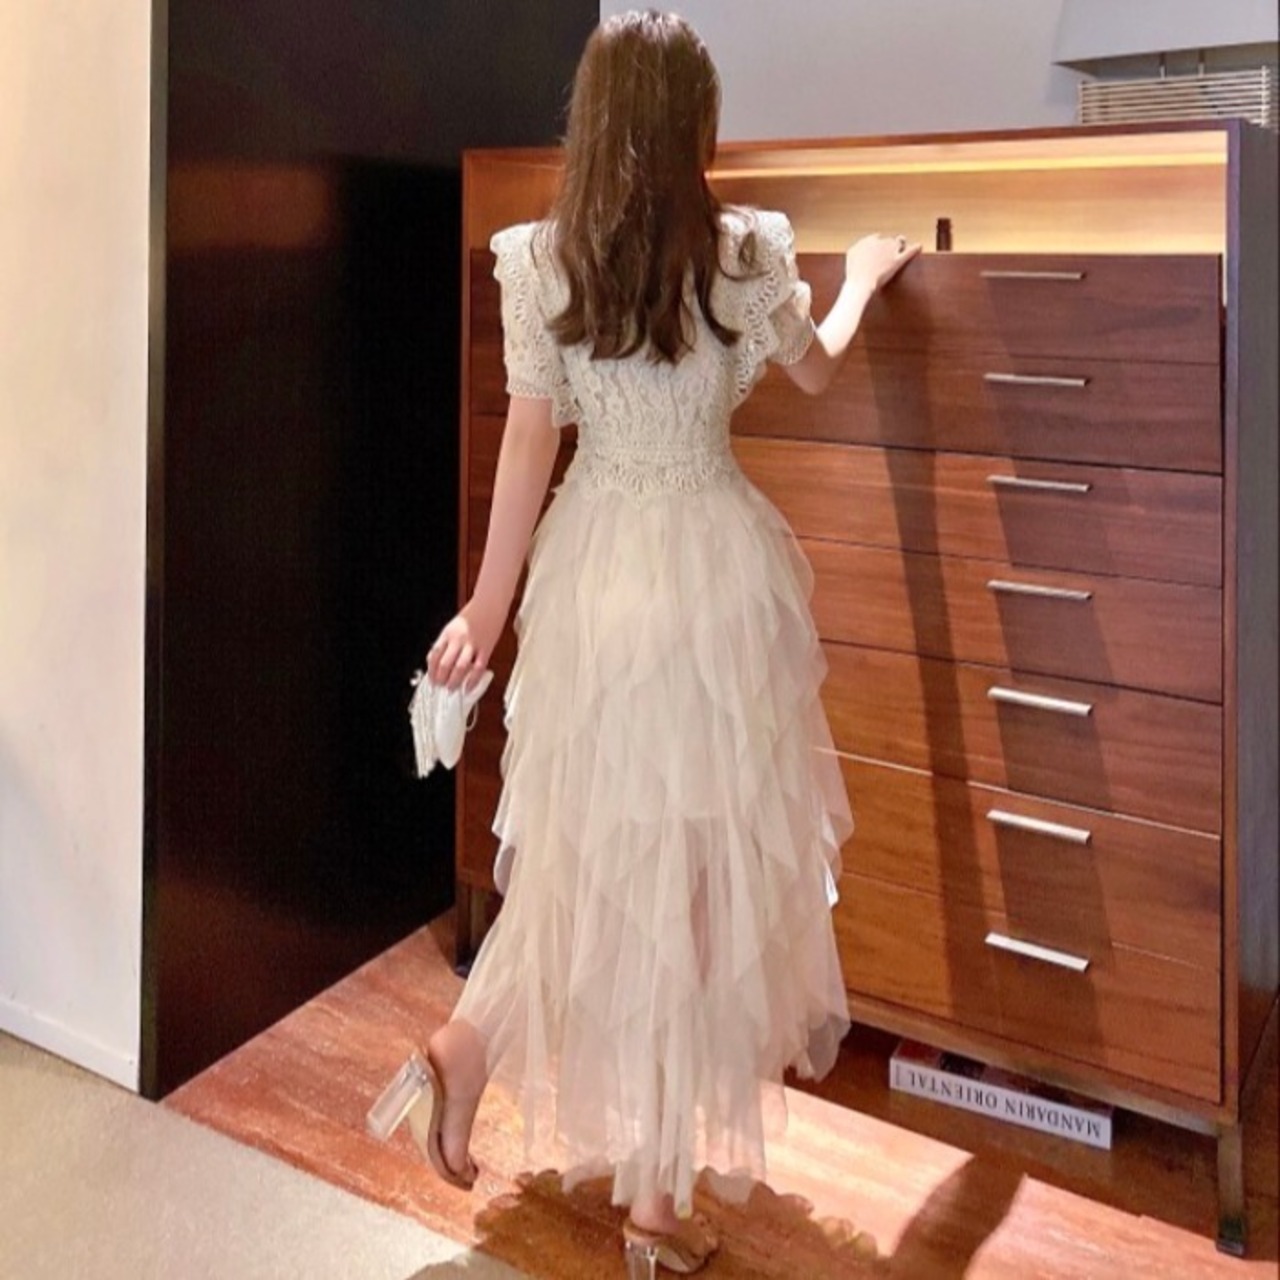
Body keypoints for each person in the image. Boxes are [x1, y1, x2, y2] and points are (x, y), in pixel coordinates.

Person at [371, 10, 919, 1276]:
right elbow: (818, 373)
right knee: (693, 893)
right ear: (694, 124)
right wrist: (860, 281)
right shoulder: (744, 251)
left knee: (584, 856)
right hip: (711, 585)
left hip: (591, 578)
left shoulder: (542, 260)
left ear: (597, 115)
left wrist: (484, 611)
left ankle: (466, 1045)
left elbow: (529, 438)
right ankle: (655, 1215)